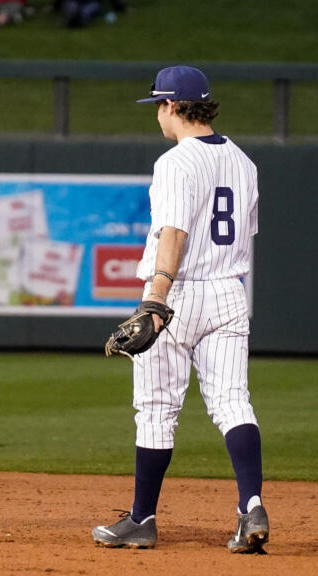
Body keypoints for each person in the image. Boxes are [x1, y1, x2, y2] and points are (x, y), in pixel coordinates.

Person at [92, 66, 267, 553]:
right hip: (230, 292)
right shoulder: (244, 162)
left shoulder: (176, 161)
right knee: (233, 402)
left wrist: (155, 301)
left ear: (172, 106)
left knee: (156, 410)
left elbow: (174, 233)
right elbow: (244, 238)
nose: (158, 117)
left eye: (158, 108)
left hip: (179, 294)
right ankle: (251, 506)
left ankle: (142, 519)